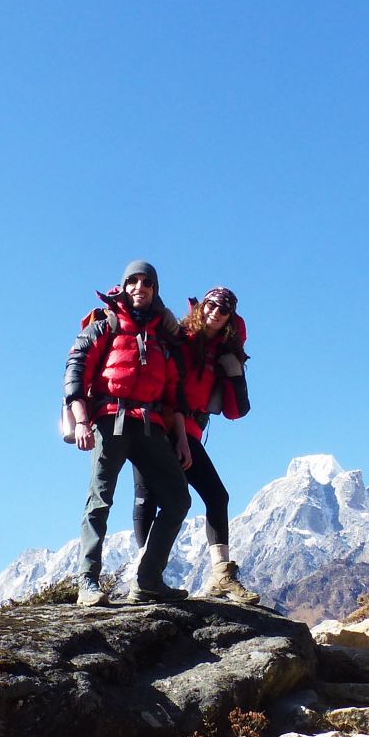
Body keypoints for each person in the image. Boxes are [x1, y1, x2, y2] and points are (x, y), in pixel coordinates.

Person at [64, 260, 192, 606]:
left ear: (155, 290)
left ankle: (148, 580)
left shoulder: (162, 339)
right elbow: (75, 371)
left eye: (146, 283)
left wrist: (180, 438)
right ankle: (87, 583)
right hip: (109, 420)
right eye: (133, 282)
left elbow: (174, 393)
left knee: (179, 499)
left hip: (150, 425)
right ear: (124, 286)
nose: (140, 288)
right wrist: (80, 421)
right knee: (100, 500)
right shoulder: (105, 327)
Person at [133, 286, 260, 604]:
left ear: (230, 317)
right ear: (202, 306)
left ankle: (220, 574)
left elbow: (236, 411)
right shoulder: (179, 336)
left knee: (217, 496)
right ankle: (144, 576)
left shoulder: (223, 353)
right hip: (154, 423)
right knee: (147, 496)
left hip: (188, 431)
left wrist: (235, 375)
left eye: (224, 309)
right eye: (212, 305)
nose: (215, 312)